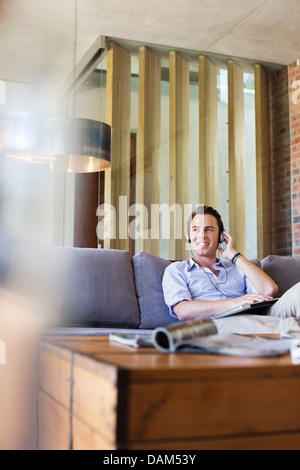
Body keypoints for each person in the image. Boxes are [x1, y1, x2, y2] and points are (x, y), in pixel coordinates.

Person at [162, 205, 300, 321]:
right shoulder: (177, 270)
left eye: (208, 229)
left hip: (255, 317)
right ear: (189, 237)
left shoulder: (237, 268)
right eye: (195, 229)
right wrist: (235, 303)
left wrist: (233, 255)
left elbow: (269, 290)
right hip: (216, 323)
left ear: (221, 237)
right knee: (286, 326)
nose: (202, 235)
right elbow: (183, 311)